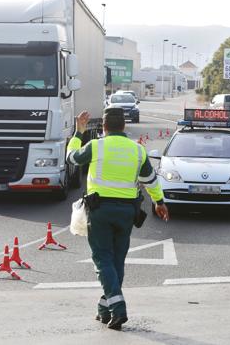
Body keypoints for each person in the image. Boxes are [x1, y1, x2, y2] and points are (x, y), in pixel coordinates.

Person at [67, 108, 169, 330]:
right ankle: (105, 310)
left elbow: (72, 158)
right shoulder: (138, 150)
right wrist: (159, 202)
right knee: (116, 261)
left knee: (102, 259)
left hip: (100, 211)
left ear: (103, 127)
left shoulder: (96, 146)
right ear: (124, 126)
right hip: (126, 213)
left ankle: (118, 309)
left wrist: (78, 133)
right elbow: (150, 180)